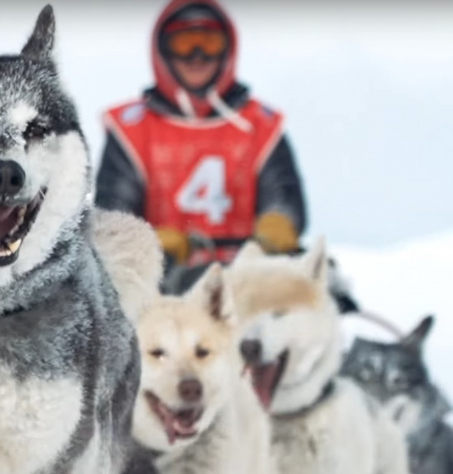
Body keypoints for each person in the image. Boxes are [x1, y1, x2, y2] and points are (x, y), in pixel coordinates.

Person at [95, 0, 308, 291]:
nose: (198, 56)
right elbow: (112, 216)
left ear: (228, 49)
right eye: (184, 43)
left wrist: (279, 224)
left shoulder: (260, 127)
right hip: (160, 287)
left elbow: (284, 197)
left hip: (248, 282)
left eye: (209, 42)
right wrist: (150, 243)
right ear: (162, 50)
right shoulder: (132, 131)